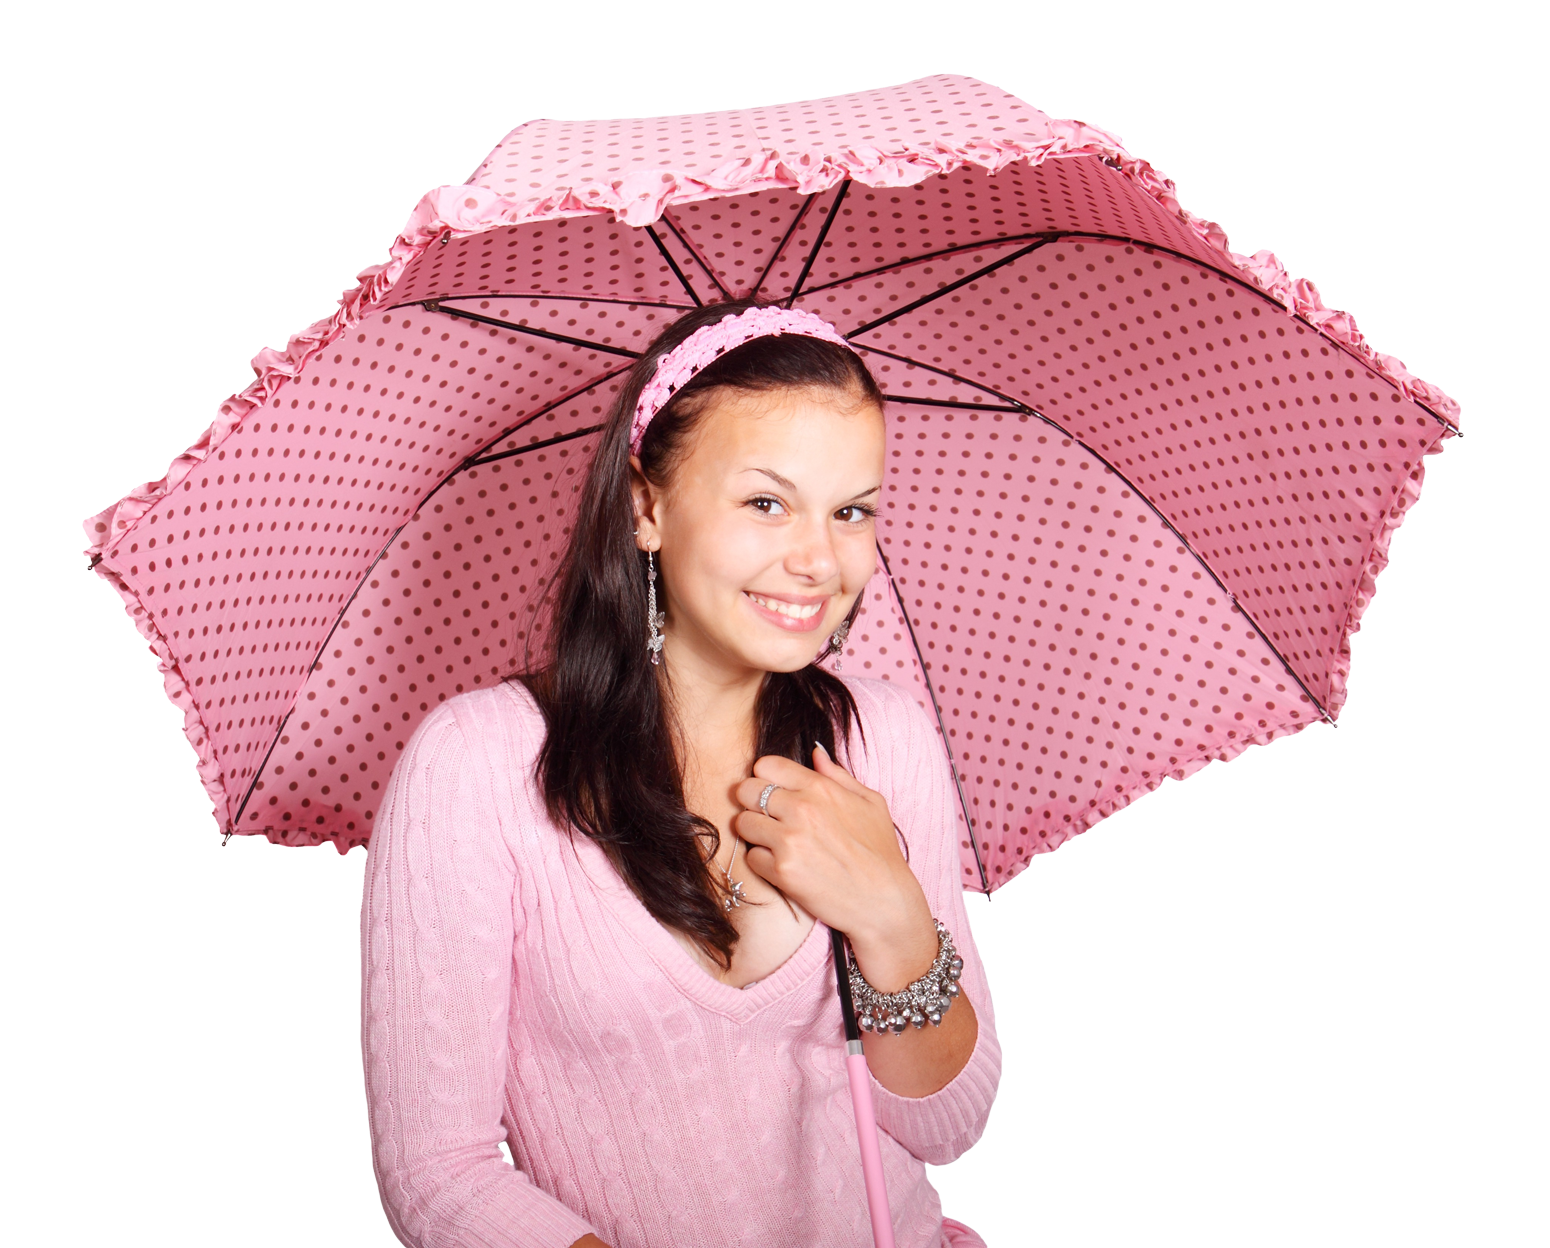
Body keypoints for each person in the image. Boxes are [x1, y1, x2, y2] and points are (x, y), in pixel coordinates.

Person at [361, 297, 1003, 1248]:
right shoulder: (477, 766)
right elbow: (438, 1175)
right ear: (646, 505)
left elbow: (942, 1126)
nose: (820, 560)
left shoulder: (883, 739)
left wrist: (890, 912)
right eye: (766, 502)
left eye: (852, 510)